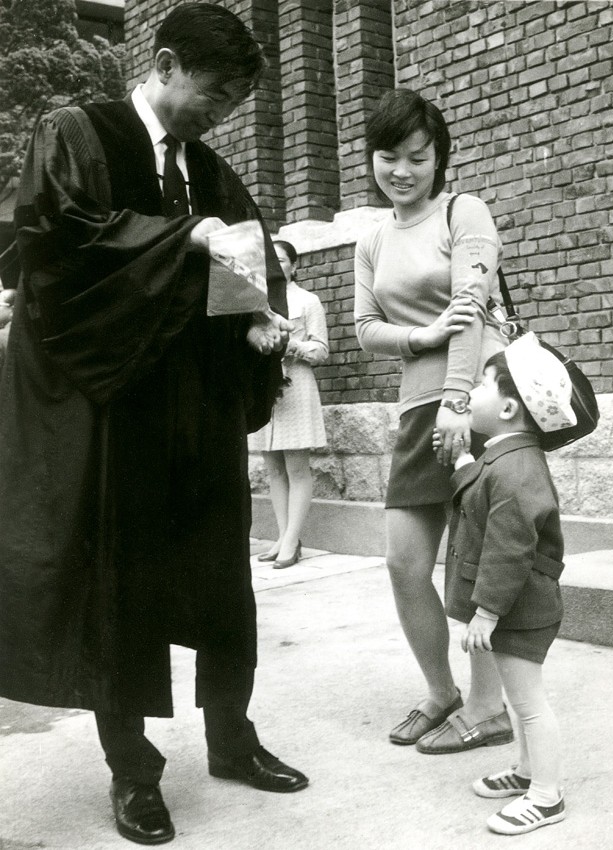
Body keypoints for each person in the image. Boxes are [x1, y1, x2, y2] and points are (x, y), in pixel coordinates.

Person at [0, 4, 309, 846]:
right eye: (216, 95)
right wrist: (185, 238)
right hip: (117, 409)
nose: (221, 116)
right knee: (122, 591)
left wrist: (255, 317)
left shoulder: (208, 168)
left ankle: (232, 739)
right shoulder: (77, 134)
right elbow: (58, 250)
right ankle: (133, 773)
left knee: (222, 579)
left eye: (236, 103)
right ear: (166, 64)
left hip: (200, 406)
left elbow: (239, 260)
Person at [354, 88, 513, 752]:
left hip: (480, 399)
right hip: (418, 408)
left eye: (417, 158)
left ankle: (487, 707)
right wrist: (418, 338)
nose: (401, 171)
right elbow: (365, 328)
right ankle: (440, 691)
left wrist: (456, 401)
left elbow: (470, 310)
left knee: (477, 561)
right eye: (388, 156)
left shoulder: (462, 212)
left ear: (438, 159)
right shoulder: (372, 237)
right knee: (403, 561)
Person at [435, 333, 574, 835]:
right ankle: (527, 773)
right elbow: (483, 495)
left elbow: (509, 546)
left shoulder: (517, 468)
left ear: (509, 407)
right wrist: (459, 462)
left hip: (520, 607)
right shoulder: (507, 456)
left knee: (530, 704)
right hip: (518, 604)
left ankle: (547, 797)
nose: (471, 393)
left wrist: (487, 612)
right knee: (519, 699)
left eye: (482, 384)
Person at [251, 240, 329, 568]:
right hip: (264, 389)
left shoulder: (307, 301)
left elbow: (322, 350)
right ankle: (283, 536)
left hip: (295, 386)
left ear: (294, 266)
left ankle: (293, 539)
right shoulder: (257, 301)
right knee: (273, 468)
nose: (276, 265)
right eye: (271, 260)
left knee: (296, 467)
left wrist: (292, 346)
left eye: (282, 260)